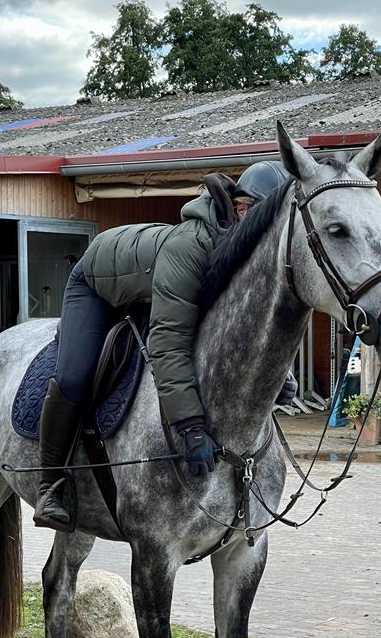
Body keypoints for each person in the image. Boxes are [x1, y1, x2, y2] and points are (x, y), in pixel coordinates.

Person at [33, 160, 290, 532]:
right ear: (237, 207)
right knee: (74, 376)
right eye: (245, 209)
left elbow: (240, 331)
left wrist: (281, 375)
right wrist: (189, 427)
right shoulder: (191, 247)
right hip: (95, 281)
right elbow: (168, 342)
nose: (252, 221)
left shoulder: (247, 257)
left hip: (150, 282)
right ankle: (51, 483)